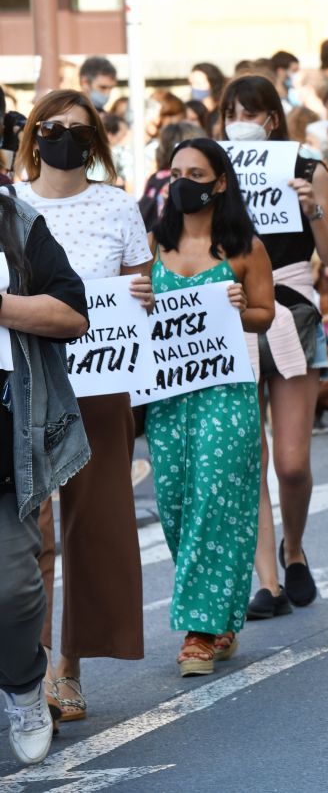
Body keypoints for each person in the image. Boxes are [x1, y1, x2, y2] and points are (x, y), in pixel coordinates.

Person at [13, 91, 152, 724]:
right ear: (33, 135)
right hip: (27, 382)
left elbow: (144, 289)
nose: (64, 137)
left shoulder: (120, 206)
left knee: (91, 525)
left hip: (102, 382)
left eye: (78, 129)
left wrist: (147, 293)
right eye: (52, 127)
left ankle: (71, 665)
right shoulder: (10, 205)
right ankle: (31, 667)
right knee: (29, 526)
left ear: (94, 140)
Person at [216, 76, 328, 620]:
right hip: (233, 311)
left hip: (291, 313)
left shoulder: (308, 168)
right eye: (230, 112)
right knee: (253, 457)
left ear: (272, 119)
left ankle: (293, 551)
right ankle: (266, 582)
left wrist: (312, 208)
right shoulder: (215, 171)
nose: (239, 120)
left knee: (292, 463)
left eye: (251, 111)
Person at [146, 138, 274, 675]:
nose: (183, 182)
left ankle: (199, 631)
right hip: (168, 395)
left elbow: (267, 313)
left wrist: (244, 310)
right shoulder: (155, 242)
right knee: (175, 503)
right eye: (175, 172)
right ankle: (219, 615)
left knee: (215, 502)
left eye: (195, 173)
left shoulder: (246, 247)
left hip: (225, 392)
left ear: (220, 182)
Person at [0, 177, 90, 765]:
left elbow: (72, 313)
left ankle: (25, 682)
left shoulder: (15, 222)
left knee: (12, 587)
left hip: (5, 432)